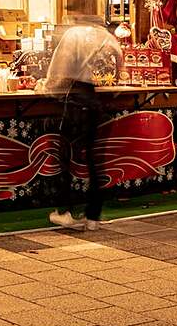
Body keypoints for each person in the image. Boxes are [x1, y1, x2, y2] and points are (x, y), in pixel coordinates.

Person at [43, 15, 121, 229]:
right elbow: (119, 62)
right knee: (95, 160)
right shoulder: (106, 36)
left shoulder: (73, 35)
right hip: (94, 99)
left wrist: (49, 87)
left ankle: (64, 210)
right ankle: (93, 216)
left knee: (65, 155)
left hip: (75, 98)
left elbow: (60, 67)